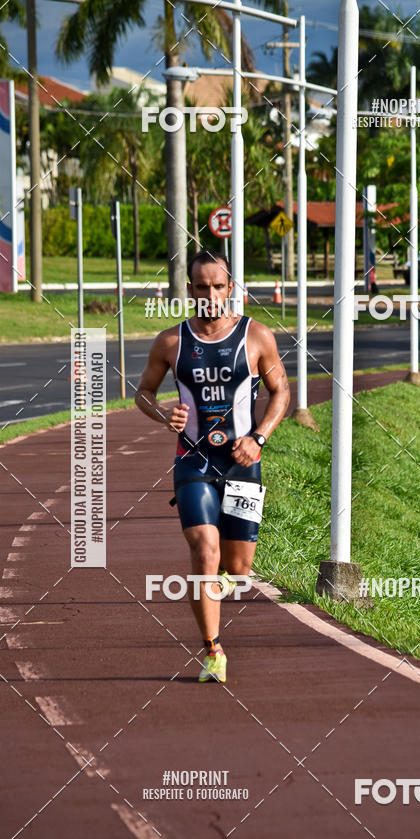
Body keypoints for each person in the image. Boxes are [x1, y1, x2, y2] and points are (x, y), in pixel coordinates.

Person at [135, 251, 290, 683]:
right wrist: (163, 414)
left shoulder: (257, 336)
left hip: (241, 463)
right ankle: (213, 650)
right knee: (206, 552)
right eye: (201, 287)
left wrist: (259, 439)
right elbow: (143, 392)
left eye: (217, 286)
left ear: (231, 289)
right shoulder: (171, 342)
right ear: (190, 290)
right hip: (193, 462)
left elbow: (281, 392)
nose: (209, 294)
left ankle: (209, 593)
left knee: (238, 571)